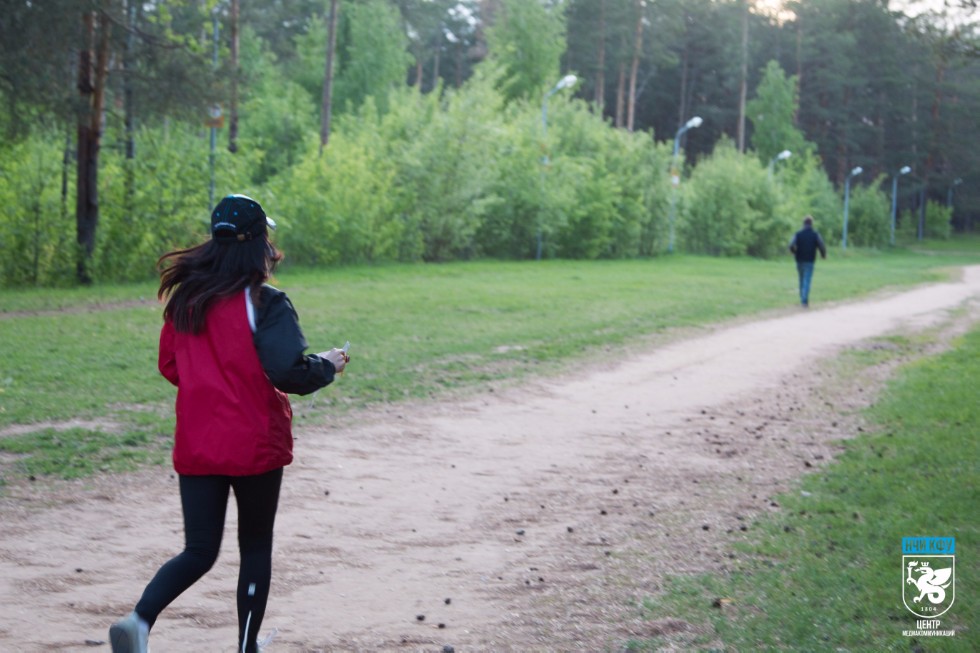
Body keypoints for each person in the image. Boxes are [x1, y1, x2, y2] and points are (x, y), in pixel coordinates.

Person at [108, 194, 349, 653]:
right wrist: (328, 364)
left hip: (198, 443)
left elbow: (170, 365)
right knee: (255, 546)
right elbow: (288, 373)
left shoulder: (188, 298)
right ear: (259, 242)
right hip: (254, 443)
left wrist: (208, 382)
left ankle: (139, 621)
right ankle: (245, 645)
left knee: (199, 549)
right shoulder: (266, 300)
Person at [789, 215, 827, 307]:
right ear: (811, 224)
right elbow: (821, 245)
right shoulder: (815, 234)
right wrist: (823, 255)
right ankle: (804, 301)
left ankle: (802, 298)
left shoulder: (798, 234)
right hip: (810, 260)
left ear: (803, 223)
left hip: (799, 260)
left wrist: (794, 252)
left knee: (801, 280)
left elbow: (791, 245)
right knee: (807, 280)